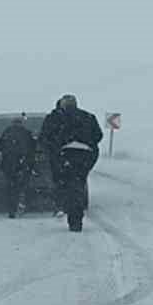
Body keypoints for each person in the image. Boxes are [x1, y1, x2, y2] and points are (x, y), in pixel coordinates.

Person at [39, 94, 102, 232]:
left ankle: (66, 209)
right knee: (78, 183)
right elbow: (98, 135)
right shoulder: (88, 117)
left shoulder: (54, 118)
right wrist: (88, 143)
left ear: (62, 105)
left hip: (63, 155)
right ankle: (76, 216)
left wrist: (53, 150)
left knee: (64, 184)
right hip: (85, 156)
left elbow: (44, 137)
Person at [0, 115, 37, 219]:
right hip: (24, 163)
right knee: (23, 185)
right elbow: (33, 147)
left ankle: (11, 209)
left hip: (9, 163)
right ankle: (22, 203)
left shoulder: (7, 132)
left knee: (11, 186)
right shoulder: (27, 133)